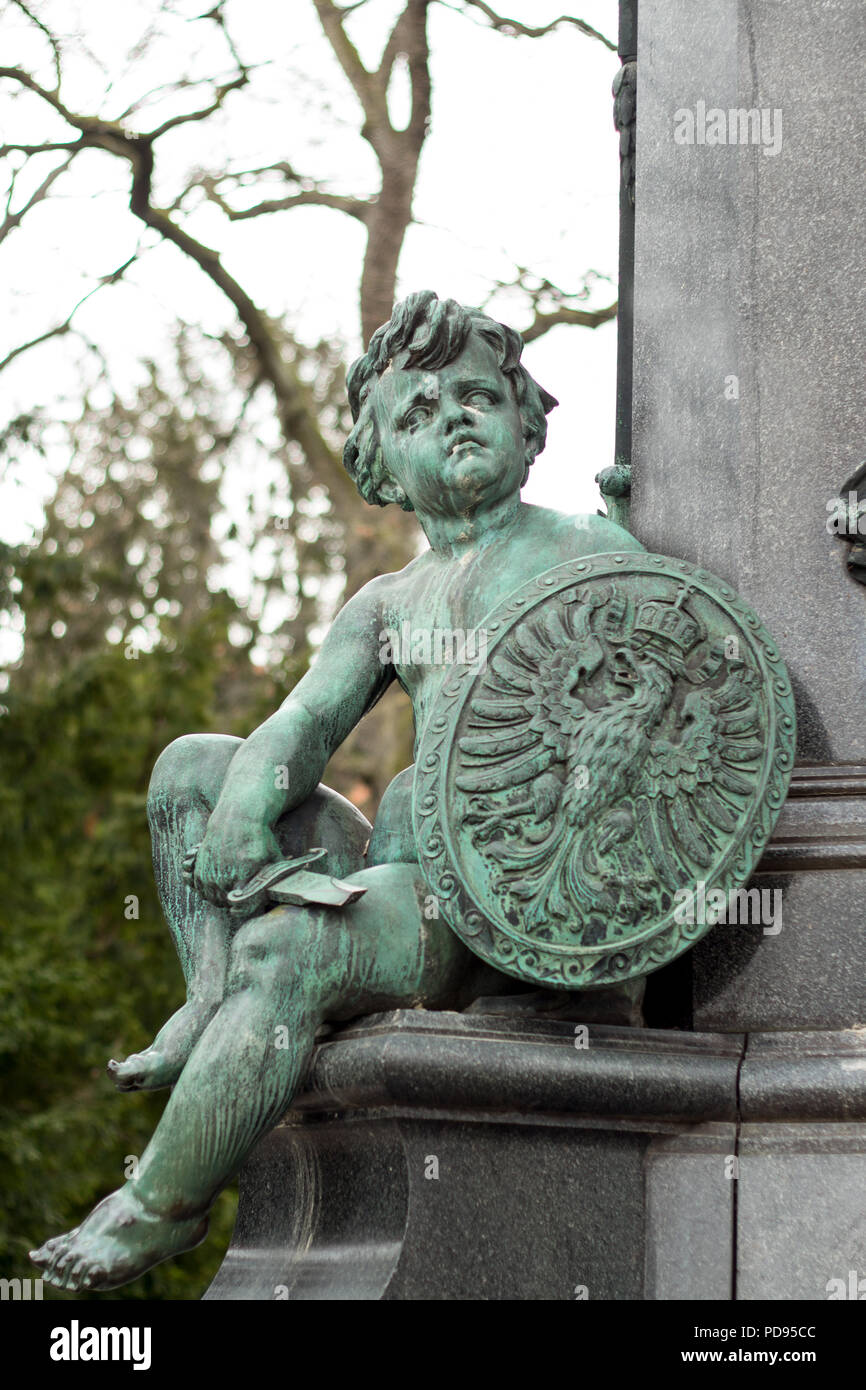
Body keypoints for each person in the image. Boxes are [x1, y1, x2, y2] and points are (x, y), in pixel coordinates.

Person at [31, 291, 643, 1290]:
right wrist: (240, 812)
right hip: (422, 861)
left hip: (509, 899)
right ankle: (207, 993)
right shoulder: (391, 600)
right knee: (193, 765)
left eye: (479, 396)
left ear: (527, 423)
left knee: (292, 940)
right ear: (380, 468)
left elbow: (663, 699)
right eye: (414, 412)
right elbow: (306, 725)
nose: (451, 416)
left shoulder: (583, 548)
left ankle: (157, 1206)